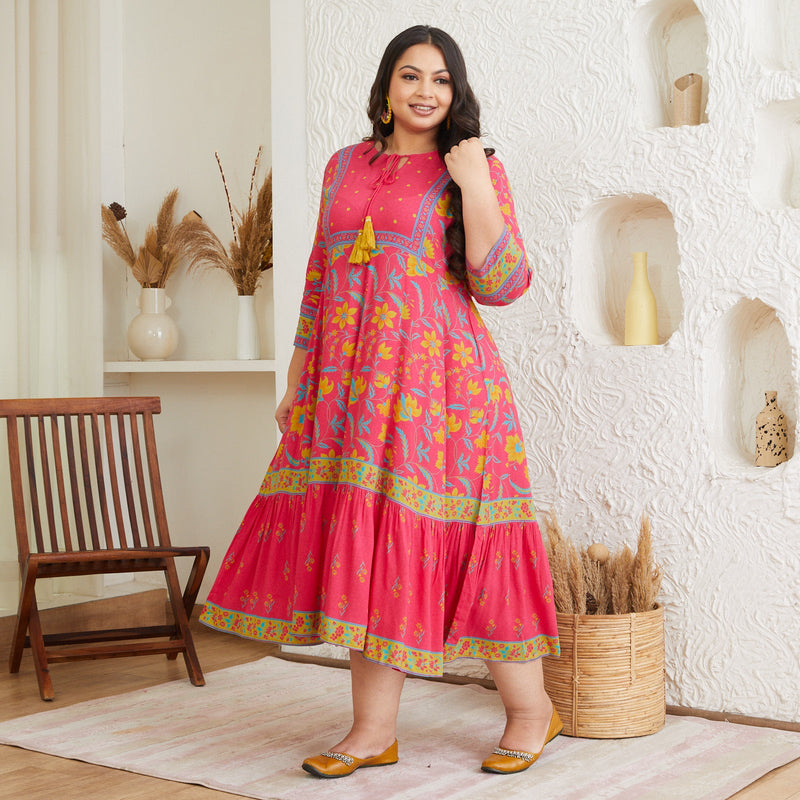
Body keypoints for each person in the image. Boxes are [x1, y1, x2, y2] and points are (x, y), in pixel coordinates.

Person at [200, 24, 561, 778]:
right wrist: (300, 378)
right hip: (353, 392)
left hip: (446, 397)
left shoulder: (475, 170)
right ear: (386, 87)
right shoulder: (343, 167)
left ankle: (531, 714)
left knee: (469, 545)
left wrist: (471, 183)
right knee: (374, 550)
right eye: (410, 76)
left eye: (440, 79)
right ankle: (372, 732)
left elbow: (503, 284)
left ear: (456, 93)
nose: (426, 91)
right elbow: (319, 278)